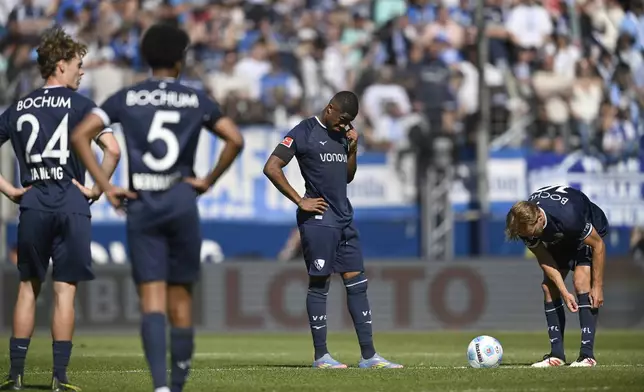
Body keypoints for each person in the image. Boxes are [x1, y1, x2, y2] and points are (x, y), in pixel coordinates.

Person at [70, 24, 243, 392]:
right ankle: (178, 386)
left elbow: (80, 136)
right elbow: (234, 139)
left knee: (151, 298)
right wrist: (208, 180)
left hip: (142, 203)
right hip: (181, 199)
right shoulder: (195, 99)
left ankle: (161, 387)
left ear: (146, 58)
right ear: (181, 59)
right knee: (180, 299)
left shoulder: (127, 97)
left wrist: (106, 186)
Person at [0, 27, 121, 391]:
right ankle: (58, 377)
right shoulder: (83, 106)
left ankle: (15, 376)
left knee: (27, 289)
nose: (82, 72)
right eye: (79, 65)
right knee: (64, 290)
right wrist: (98, 188)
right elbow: (112, 149)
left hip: (33, 202)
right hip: (71, 203)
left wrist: (8, 190)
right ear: (62, 65)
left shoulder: (19, 106)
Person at [263, 91, 403, 369]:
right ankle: (322, 356)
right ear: (329, 109)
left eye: (349, 122)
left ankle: (369, 356)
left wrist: (351, 150)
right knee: (320, 284)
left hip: (344, 219)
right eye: (342, 120)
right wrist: (300, 200)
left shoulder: (344, 135)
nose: (345, 126)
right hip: (319, 220)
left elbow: (347, 176)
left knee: (358, 284)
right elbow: (271, 167)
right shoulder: (303, 131)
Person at [505, 185, 609, 368]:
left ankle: (587, 355)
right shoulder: (523, 223)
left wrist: (598, 287)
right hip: (559, 236)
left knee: (581, 281)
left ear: (538, 219)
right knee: (548, 287)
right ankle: (557, 355)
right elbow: (544, 258)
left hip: (588, 226)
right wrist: (563, 291)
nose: (526, 237)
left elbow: (598, 245)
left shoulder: (570, 217)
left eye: (527, 232)